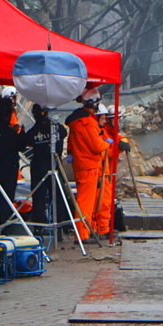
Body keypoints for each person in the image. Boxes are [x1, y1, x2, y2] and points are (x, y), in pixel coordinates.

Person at [65, 88, 111, 241]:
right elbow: (97, 146)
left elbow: (71, 145)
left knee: (86, 201)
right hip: (89, 166)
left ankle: (87, 231)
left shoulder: (77, 122)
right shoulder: (87, 123)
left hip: (82, 164)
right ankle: (82, 235)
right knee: (85, 203)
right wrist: (107, 143)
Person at [23, 104, 67, 229]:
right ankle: (59, 224)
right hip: (54, 164)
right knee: (57, 195)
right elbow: (63, 133)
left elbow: (27, 142)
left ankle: (39, 226)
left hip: (39, 166)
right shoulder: (57, 128)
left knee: (39, 197)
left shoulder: (33, 131)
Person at [95, 104, 130, 239]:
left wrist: (124, 141)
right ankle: (103, 229)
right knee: (103, 202)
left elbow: (119, 138)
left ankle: (105, 227)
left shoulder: (111, 132)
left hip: (108, 172)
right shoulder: (103, 132)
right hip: (102, 171)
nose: (118, 122)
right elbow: (105, 151)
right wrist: (119, 148)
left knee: (108, 201)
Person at [0, 99, 23, 229]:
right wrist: (19, 133)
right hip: (8, 167)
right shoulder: (8, 132)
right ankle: (3, 225)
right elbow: (19, 145)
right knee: (7, 196)